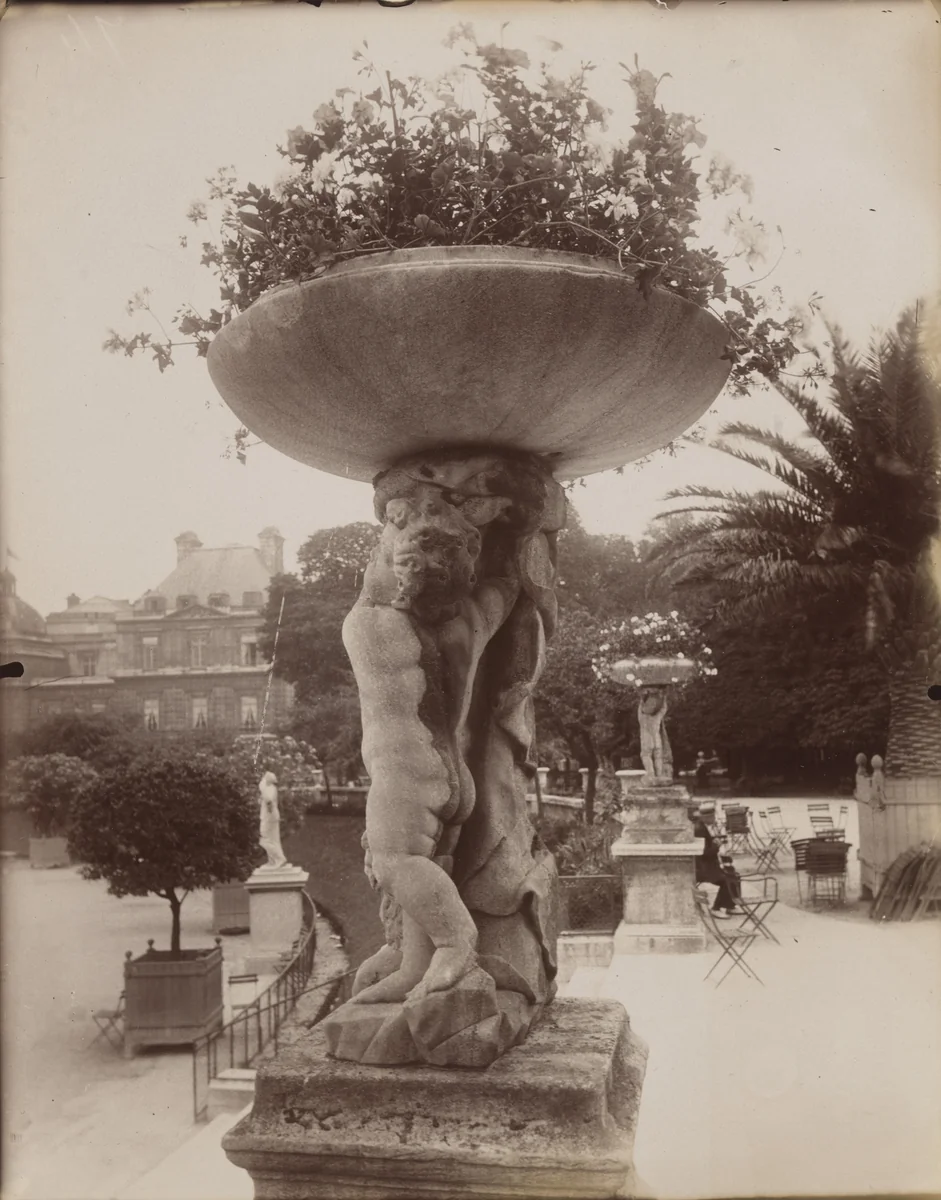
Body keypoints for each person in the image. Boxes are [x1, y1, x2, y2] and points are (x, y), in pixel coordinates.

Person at [694, 801, 741, 917]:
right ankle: (716, 908)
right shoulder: (699, 830)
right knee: (725, 880)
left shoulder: (706, 826)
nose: (715, 818)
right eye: (713, 816)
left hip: (710, 864)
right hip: (703, 868)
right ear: (707, 817)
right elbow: (702, 853)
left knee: (734, 875)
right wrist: (716, 846)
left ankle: (730, 905)